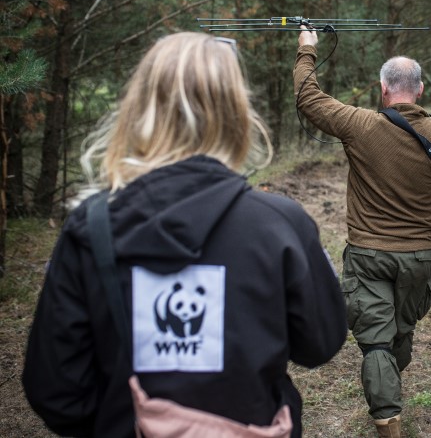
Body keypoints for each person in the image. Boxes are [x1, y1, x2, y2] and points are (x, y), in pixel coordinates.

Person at [23, 32, 347, 438]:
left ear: (140, 109)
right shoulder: (280, 223)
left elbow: (55, 391)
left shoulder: (92, 227)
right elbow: (321, 343)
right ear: (236, 112)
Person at [293, 27, 431, 437]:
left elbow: (308, 97)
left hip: (369, 255)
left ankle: (387, 419)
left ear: (383, 90)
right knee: (398, 332)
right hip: (418, 259)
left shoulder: (359, 124)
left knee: (378, 343)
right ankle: (388, 406)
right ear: (421, 90)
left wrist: (307, 50)